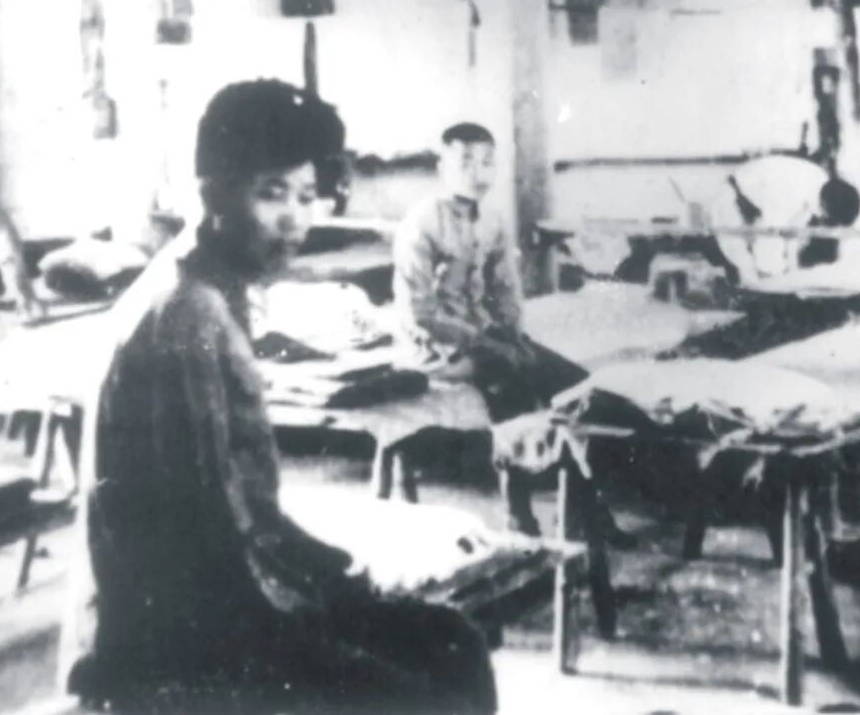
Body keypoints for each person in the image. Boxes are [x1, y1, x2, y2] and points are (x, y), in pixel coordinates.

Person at [68, 80, 496, 715]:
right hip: (168, 649)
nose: (296, 217)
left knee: (449, 642)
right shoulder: (187, 317)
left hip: (210, 611)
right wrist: (323, 607)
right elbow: (214, 550)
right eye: (271, 193)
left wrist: (337, 573)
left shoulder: (215, 290)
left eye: (305, 195)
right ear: (212, 194)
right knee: (433, 692)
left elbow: (247, 511)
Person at [392, 122, 636, 545]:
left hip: (487, 340)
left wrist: (515, 336)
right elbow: (419, 312)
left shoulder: (493, 221)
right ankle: (518, 514)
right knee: (511, 385)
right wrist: (488, 343)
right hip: (435, 346)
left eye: (487, 161)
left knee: (576, 384)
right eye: (465, 161)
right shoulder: (422, 222)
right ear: (442, 167)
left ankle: (583, 511)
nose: (477, 171)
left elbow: (506, 291)